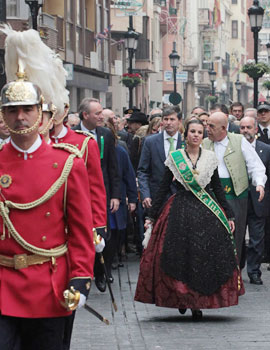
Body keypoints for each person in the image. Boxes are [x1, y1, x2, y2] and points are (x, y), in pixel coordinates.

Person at [0, 26, 95, 350]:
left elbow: (80, 231)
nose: (21, 117)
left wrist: (81, 277)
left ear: (41, 113)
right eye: (13, 110)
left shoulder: (68, 163)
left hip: (50, 282)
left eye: (27, 109)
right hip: (2, 284)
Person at [135, 119, 244, 320]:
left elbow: (217, 189)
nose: (195, 135)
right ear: (186, 135)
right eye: (192, 131)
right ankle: (180, 298)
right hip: (179, 210)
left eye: (199, 132)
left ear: (203, 136)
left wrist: (228, 213)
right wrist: (151, 215)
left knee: (203, 257)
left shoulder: (210, 158)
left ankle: (196, 302)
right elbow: (163, 188)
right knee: (178, 256)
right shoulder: (175, 158)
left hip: (205, 211)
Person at [203, 112, 266, 264]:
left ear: (223, 128)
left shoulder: (239, 141)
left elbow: (255, 165)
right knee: (211, 235)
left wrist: (259, 183)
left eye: (211, 126)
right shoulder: (204, 143)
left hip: (236, 196)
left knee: (235, 235)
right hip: (211, 197)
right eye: (207, 125)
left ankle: (233, 274)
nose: (207, 129)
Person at [75, 98, 121, 292]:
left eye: (102, 112)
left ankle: (102, 271)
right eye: (97, 113)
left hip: (102, 192)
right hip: (78, 192)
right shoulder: (72, 134)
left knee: (104, 234)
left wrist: (115, 195)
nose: (101, 116)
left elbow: (112, 167)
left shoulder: (105, 135)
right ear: (85, 115)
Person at [240, 116, 270, 285]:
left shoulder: (265, 149)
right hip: (239, 200)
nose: (245, 131)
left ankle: (254, 271)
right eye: (242, 127)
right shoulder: (235, 149)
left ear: (256, 129)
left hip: (259, 201)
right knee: (237, 238)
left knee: (256, 239)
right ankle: (237, 269)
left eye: (248, 127)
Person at [137, 106, 184, 210]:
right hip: (156, 198)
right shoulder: (150, 142)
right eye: (166, 119)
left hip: (180, 198)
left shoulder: (185, 143)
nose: (168, 122)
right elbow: (143, 171)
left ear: (179, 121)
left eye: (172, 119)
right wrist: (146, 195)